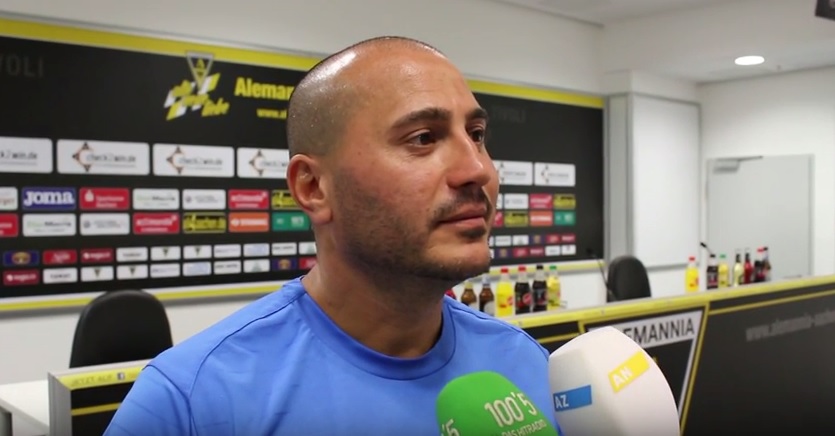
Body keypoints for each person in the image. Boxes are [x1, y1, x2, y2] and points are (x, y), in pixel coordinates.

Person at [105, 36, 558, 435]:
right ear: (313, 188)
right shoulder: (189, 403)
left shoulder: (528, 364)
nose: (478, 169)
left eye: (476, 134)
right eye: (423, 138)